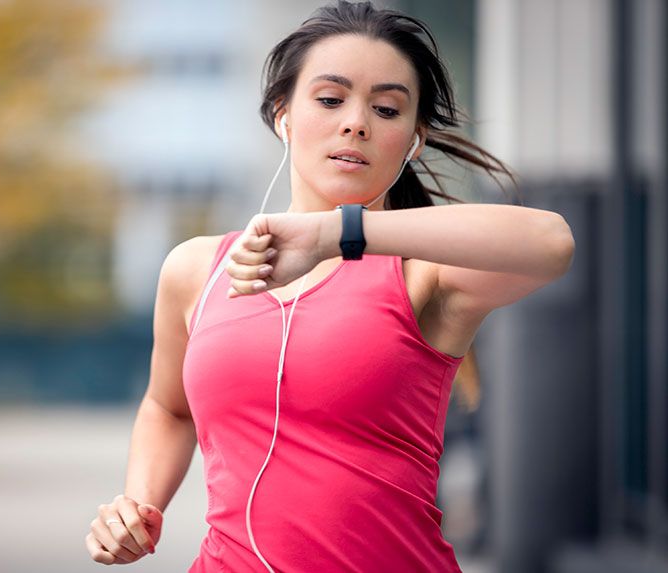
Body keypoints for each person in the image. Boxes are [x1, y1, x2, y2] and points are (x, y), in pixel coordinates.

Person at [85, 1, 575, 571]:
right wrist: (138, 506)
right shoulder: (199, 269)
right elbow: (169, 409)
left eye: (387, 108)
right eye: (329, 99)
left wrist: (336, 233)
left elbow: (552, 243)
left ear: (412, 140)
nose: (357, 122)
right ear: (282, 115)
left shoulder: (424, 273)